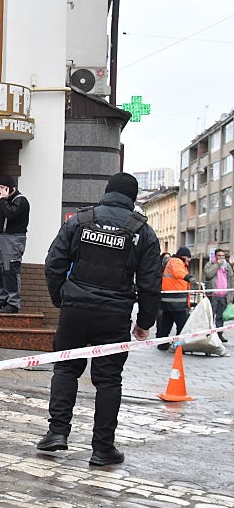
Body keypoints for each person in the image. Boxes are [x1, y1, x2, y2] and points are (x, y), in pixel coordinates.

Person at [40, 172, 161, 466]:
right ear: (133, 198)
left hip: (75, 310)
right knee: (108, 380)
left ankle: (57, 433)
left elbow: (54, 262)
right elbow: (150, 283)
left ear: (106, 192)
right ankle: (103, 448)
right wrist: (144, 322)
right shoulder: (142, 232)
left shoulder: (80, 221)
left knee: (66, 368)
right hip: (114, 314)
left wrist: (62, 298)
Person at [0, 174, 29, 313]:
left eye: (2, 188)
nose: (0, 191)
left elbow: (11, 214)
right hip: (3, 238)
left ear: (10, 188)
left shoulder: (21, 201)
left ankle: (13, 303)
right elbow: (2, 220)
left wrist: (3, 200)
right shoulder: (6, 201)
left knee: (11, 270)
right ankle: (3, 300)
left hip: (14, 239)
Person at [157, 246, 196, 351]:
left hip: (169, 300)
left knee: (166, 323)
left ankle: (162, 343)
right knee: (182, 325)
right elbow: (179, 272)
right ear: (184, 256)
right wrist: (189, 277)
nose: (189, 260)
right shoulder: (176, 262)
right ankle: (178, 346)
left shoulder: (173, 262)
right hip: (176, 301)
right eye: (188, 257)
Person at [204, 249, 232, 342]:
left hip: (224, 295)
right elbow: (208, 274)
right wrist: (217, 265)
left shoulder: (227, 266)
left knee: (220, 317)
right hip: (213, 295)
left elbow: (231, 279)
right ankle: (208, 334)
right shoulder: (210, 264)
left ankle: (219, 334)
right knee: (210, 315)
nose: (221, 257)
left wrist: (231, 295)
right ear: (215, 256)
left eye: (223, 256)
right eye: (219, 255)